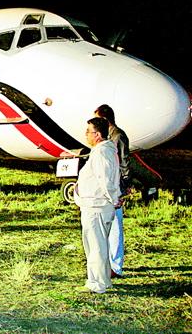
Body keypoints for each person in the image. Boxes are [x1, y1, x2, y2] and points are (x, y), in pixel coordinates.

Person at [74, 117, 121, 294]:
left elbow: (105, 179)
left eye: (89, 131)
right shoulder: (102, 151)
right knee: (98, 245)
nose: (86, 134)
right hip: (94, 205)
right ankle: (103, 280)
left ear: (98, 134)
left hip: (97, 206)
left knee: (95, 246)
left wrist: (114, 198)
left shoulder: (102, 153)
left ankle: (97, 283)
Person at [94, 104, 129, 278]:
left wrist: (123, 187)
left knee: (115, 227)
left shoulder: (118, 137)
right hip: (109, 187)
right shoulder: (109, 137)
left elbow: (124, 163)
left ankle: (115, 266)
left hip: (115, 187)